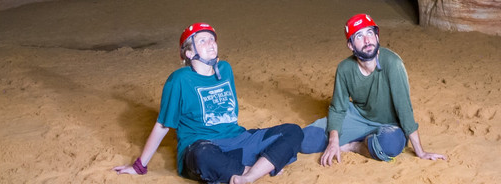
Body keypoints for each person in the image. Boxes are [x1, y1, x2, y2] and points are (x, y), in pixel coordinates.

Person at [114, 22, 305, 183]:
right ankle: (260, 167)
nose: (211, 43)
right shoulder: (179, 80)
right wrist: (140, 166)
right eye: (202, 40)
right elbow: (162, 125)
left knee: (293, 131)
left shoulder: (225, 69)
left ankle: (249, 175)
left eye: (212, 39)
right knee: (203, 156)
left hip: (238, 140)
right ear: (189, 53)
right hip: (202, 146)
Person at [311, 12, 446, 166]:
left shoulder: (393, 64)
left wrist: (420, 152)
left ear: (377, 37)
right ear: (351, 45)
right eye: (359, 36)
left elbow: (404, 109)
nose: (367, 40)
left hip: (389, 125)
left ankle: (355, 145)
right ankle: (364, 139)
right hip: (359, 118)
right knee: (308, 140)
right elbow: (337, 109)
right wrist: (333, 142)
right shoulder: (344, 68)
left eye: (370, 33)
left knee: (389, 146)